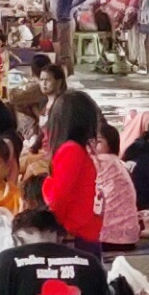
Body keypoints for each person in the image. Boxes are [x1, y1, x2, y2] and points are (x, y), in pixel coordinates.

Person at [40, 90, 104, 253]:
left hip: (74, 234)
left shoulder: (70, 150)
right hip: (84, 231)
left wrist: (55, 228)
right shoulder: (80, 150)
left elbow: (59, 197)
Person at [90, 122, 139, 248]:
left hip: (109, 238)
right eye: (91, 141)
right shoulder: (115, 161)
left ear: (111, 144)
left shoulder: (101, 160)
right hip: (128, 238)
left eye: (99, 141)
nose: (93, 145)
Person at [47, 0, 85, 66]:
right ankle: (67, 72)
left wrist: (71, 7)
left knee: (66, 52)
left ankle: (69, 74)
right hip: (59, 21)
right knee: (64, 49)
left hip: (66, 21)